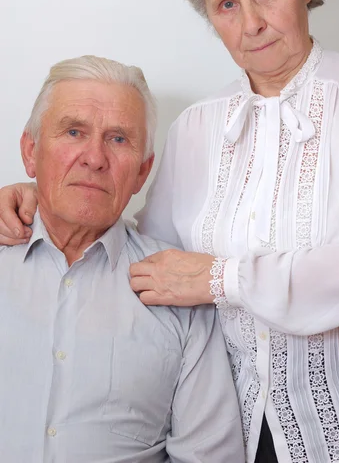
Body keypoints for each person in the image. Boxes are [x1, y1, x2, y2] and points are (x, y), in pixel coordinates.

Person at [1, 0, 339, 463]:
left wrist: (222, 279)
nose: (251, 23)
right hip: (224, 424)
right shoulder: (197, 127)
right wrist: (36, 204)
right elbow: (142, 256)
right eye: (227, 5)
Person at [0, 55, 244, 463]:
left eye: (118, 139)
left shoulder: (178, 288)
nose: (94, 158)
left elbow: (210, 456)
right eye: (74, 131)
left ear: (142, 172)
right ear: (30, 151)